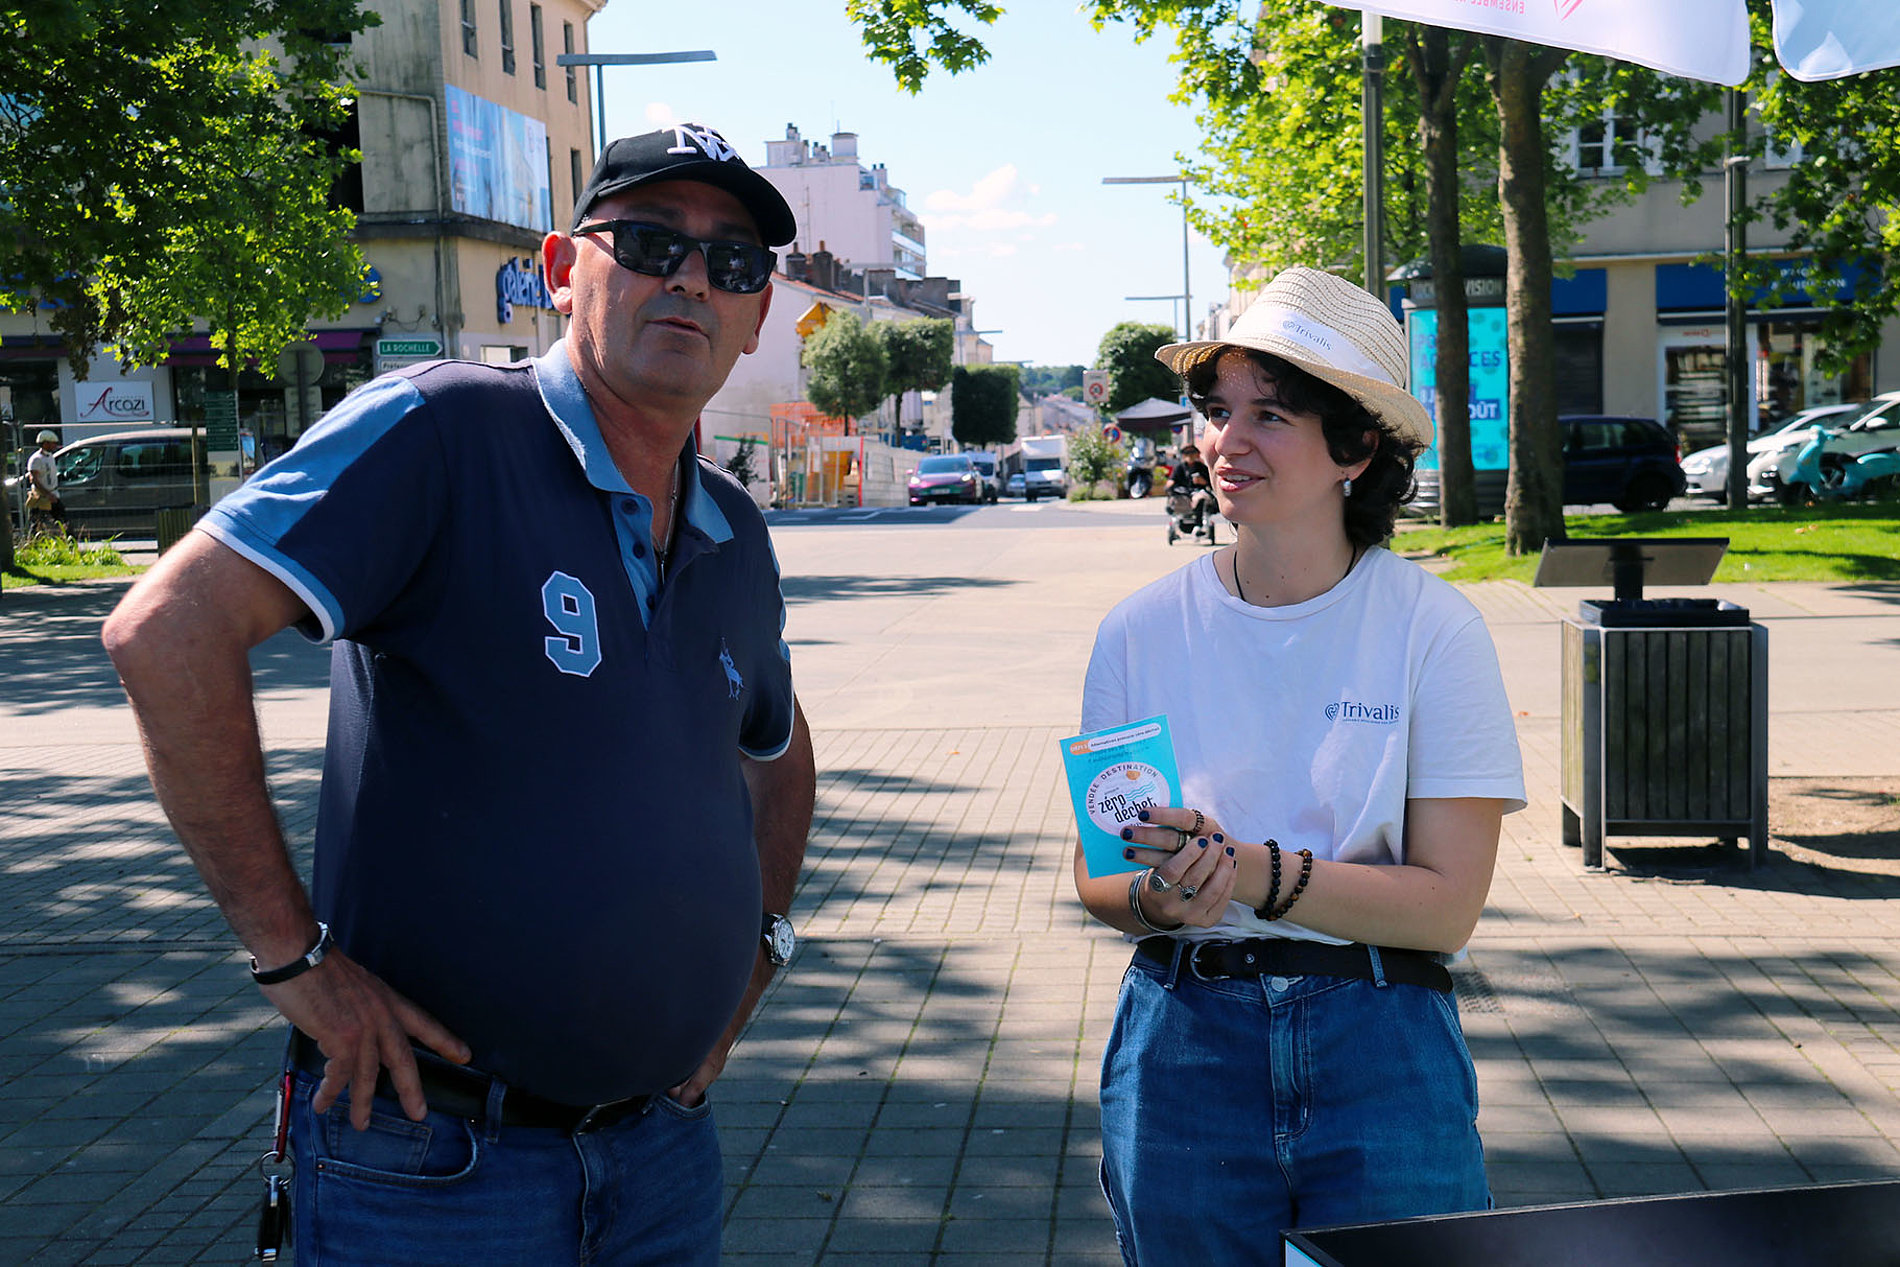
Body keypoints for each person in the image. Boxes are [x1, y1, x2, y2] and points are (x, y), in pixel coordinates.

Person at [101, 123, 816, 1265]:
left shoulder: (733, 528)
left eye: (732, 262)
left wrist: (759, 951)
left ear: (757, 315)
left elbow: (775, 752)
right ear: (560, 266)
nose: (689, 276)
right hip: (432, 1168)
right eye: (646, 240)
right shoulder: (439, 430)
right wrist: (296, 959)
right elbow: (165, 630)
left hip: (660, 1157)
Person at [1073, 266, 1525, 1261]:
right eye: (1216, 409)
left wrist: (1249, 873)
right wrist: (1158, 901)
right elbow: (1100, 870)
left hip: (1383, 1041)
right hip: (1181, 1037)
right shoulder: (1138, 632)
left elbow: (1446, 907)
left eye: (1269, 415)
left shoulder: (1431, 630)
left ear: (1356, 447)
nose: (1226, 443)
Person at [25, 429, 65, 529]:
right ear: (45, 443)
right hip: (41, 497)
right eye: (53, 443)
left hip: (53, 494)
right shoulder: (36, 459)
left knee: (63, 520)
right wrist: (47, 494)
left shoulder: (50, 456)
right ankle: (34, 542)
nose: (55, 445)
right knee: (37, 524)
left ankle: (70, 542)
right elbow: (34, 479)